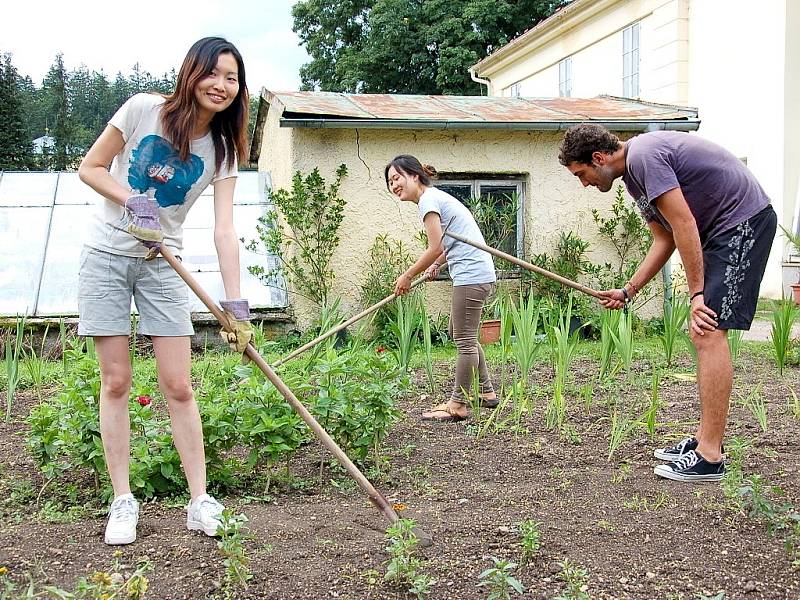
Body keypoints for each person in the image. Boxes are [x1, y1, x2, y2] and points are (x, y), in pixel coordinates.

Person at [77, 37, 253, 544]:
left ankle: (199, 500)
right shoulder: (142, 110)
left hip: (163, 265)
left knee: (179, 386)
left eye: (232, 78)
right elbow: (90, 168)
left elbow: (224, 230)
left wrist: (235, 305)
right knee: (116, 382)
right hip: (106, 255)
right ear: (191, 72)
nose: (221, 86)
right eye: (213, 73)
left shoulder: (221, 151)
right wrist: (135, 201)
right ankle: (122, 500)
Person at [559, 123, 776, 483]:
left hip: (742, 224)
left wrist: (696, 295)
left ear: (598, 158)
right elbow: (665, 238)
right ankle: (706, 441)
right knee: (704, 334)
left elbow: (685, 225)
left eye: (582, 174)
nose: (584, 184)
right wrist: (629, 290)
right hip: (724, 229)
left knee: (707, 330)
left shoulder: (645, 156)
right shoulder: (633, 178)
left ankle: (710, 456)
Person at [385, 155, 498, 422]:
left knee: (464, 340)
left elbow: (435, 245)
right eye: (390, 182)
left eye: (397, 178)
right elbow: (448, 245)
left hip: (472, 276)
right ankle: (486, 392)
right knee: (459, 333)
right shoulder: (434, 198)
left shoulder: (428, 201)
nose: (394, 185)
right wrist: (436, 264)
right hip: (475, 274)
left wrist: (407, 275)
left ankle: (458, 404)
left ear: (414, 175)